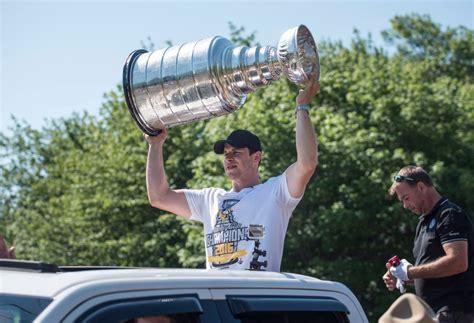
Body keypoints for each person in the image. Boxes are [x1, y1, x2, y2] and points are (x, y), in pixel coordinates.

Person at [144, 74, 320, 271]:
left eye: (236, 152)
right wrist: (156, 144)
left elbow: (307, 164)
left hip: (255, 300)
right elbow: (158, 197)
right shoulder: (209, 200)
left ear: (256, 158)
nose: (228, 158)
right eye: (226, 153)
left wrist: (302, 107)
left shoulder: (275, 193)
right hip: (215, 300)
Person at [382, 165, 474, 322]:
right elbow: (434, 274)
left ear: (421, 187)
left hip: (454, 311)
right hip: (433, 312)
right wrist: (403, 277)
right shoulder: (424, 222)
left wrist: (410, 272)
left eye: (406, 198)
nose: (405, 206)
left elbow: (458, 262)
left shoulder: (449, 214)